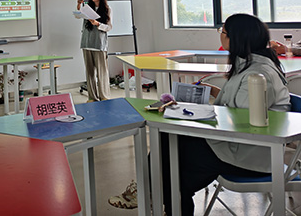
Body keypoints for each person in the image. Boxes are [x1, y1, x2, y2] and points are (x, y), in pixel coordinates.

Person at [110, 13, 291, 214]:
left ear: (235, 38)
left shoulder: (258, 73)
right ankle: (152, 190)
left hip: (250, 156)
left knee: (173, 168)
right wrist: (212, 92)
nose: (220, 35)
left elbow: (243, 123)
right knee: (169, 143)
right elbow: (240, 107)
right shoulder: (248, 65)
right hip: (238, 147)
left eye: (223, 31)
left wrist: (197, 117)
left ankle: (150, 190)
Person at [75, 0, 113, 102]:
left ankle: (104, 96)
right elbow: (78, 15)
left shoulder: (107, 9)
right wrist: (78, 4)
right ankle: (92, 97)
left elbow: (109, 27)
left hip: (99, 44)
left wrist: (97, 24)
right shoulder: (87, 8)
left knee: (102, 73)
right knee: (89, 72)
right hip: (87, 43)